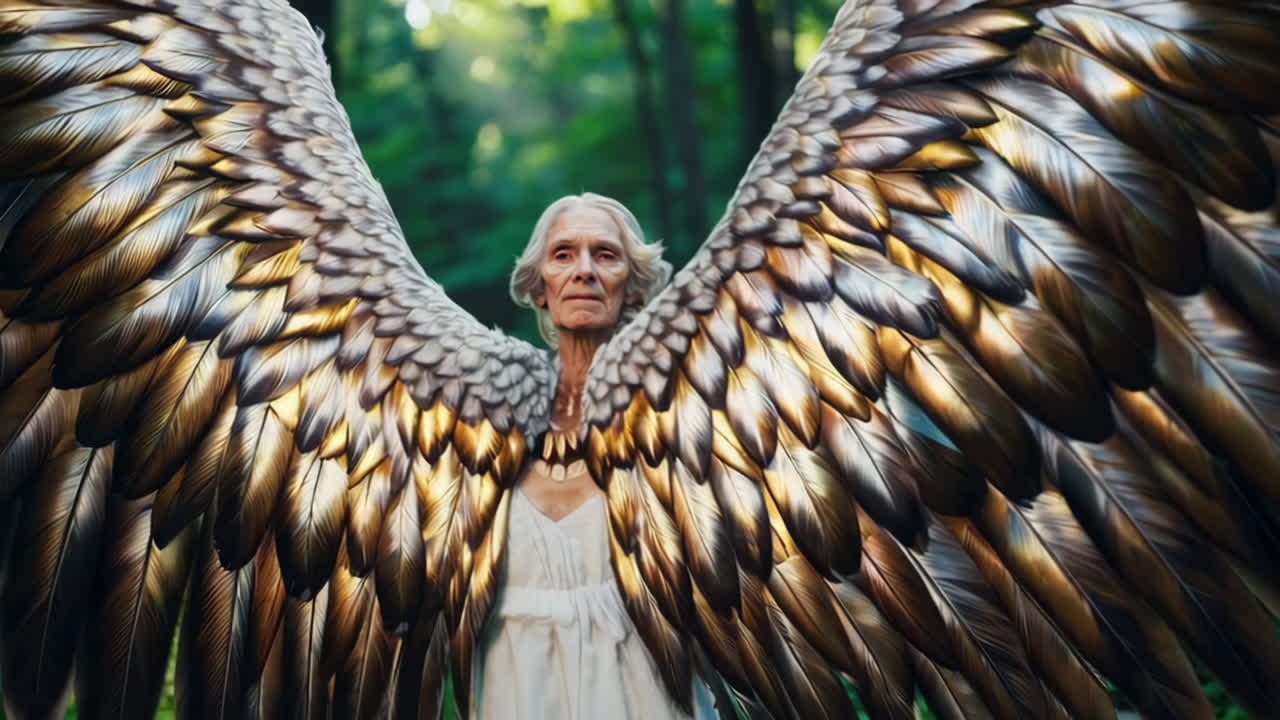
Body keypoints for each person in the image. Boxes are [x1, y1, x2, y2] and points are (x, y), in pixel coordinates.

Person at [471, 194, 715, 719]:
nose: (583, 271)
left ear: (634, 285)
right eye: (563, 255)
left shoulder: (678, 409)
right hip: (512, 688)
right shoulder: (483, 421)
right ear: (539, 287)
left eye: (605, 255)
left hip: (648, 686)